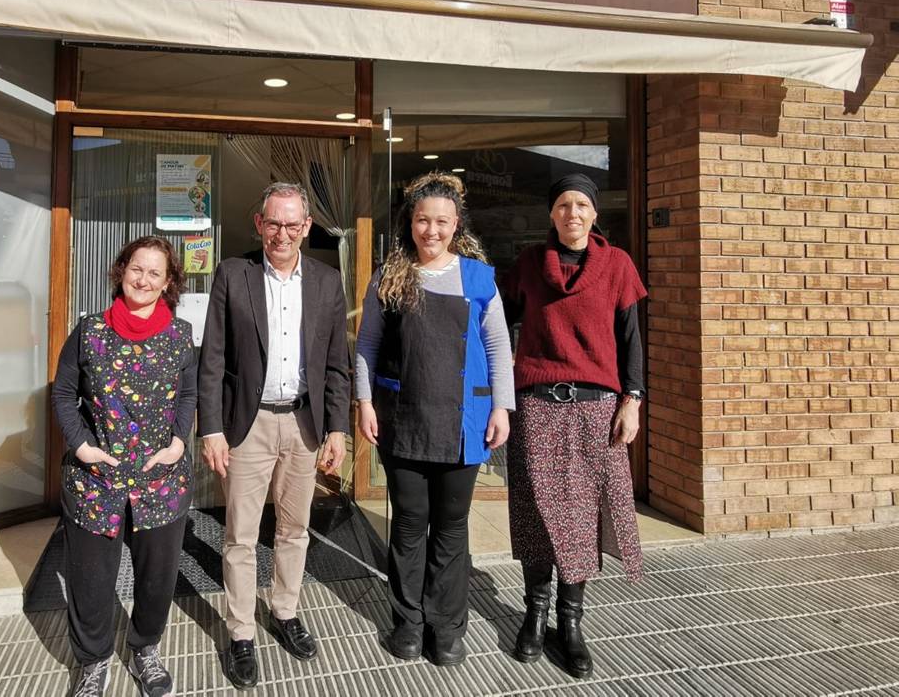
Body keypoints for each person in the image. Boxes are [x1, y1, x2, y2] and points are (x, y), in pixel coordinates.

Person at [355, 172, 515, 667]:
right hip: (403, 418)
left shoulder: (478, 277)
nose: (432, 230)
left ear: (456, 224)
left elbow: (498, 346)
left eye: (442, 221)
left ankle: (446, 626)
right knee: (408, 525)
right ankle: (408, 621)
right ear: (410, 223)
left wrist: (502, 406)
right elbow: (367, 345)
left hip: (465, 421)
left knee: (451, 527)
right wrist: (363, 401)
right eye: (423, 220)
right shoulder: (390, 275)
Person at [198, 182, 351, 689]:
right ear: (259, 223)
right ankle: (241, 631)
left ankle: (285, 611)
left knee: (294, 529)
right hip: (249, 422)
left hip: (305, 424)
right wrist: (212, 428)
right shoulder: (233, 273)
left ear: (307, 227)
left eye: (293, 224)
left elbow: (336, 366)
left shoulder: (328, 282)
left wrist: (337, 429)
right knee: (240, 534)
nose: (282, 233)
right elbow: (212, 358)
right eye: (274, 223)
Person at [501, 173, 647, 679]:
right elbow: (496, 327)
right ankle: (535, 615)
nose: (573, 213)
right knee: (537, 509)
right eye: (563, 204)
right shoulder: (527, 265)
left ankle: (572, 621)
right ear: (551, 214)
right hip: (538, 402)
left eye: (581, 204)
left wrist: (633, 400)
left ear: (595, 214)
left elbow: (631, 340)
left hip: (596, 407)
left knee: (582, 515)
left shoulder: (617, 265)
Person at [52, 236, 197, 697]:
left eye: (156, 273)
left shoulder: (181, 336)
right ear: (121, 271)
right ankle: (93, 662)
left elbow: (189, 395)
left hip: (160, 480)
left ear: (168, 282)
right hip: (98, 479)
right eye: (137, 269)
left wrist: (178, 441)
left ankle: (144, 649)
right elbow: (63, 394)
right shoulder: (90, 331)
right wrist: (80, 447)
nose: (144, 279)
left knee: (156, 580)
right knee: (91, 581)